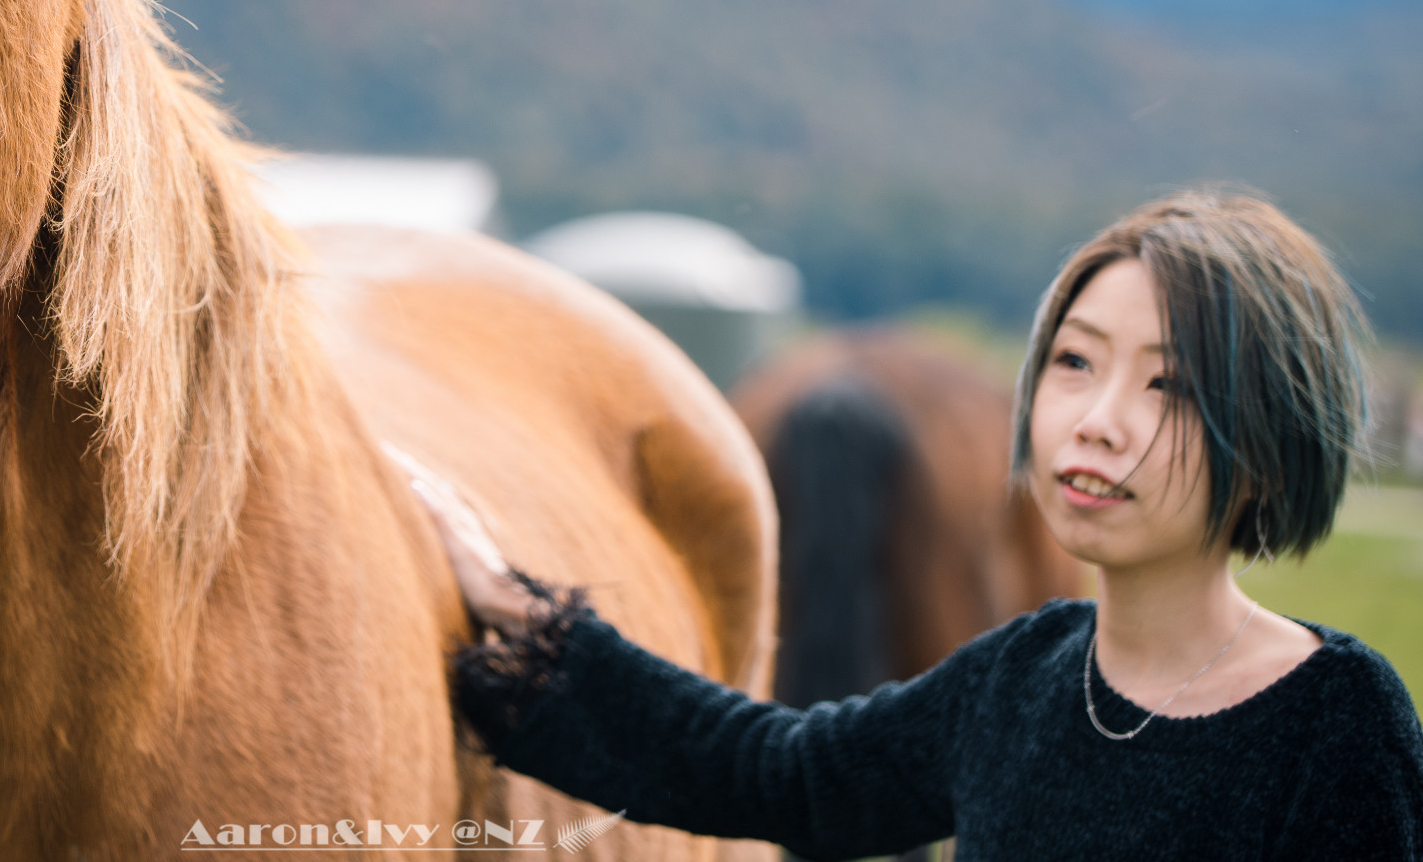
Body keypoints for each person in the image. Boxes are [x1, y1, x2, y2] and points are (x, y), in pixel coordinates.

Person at [419, 191, 1423, 860]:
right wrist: (523, 618)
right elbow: (774, 769)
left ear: (1269, 432)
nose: (1097, 415)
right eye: (1074, 360)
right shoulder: (1015, 676)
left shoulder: (1334, 716)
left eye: (1167, 382)